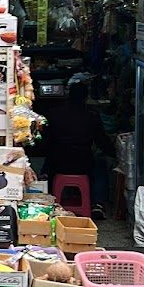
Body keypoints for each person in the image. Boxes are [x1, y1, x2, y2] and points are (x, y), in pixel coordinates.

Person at [41, 81, 115, 217]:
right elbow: (102, 141)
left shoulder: (54, 113)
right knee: (100, 164)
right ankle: (97, 204)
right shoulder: (91, 115)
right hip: (83, 163)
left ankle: (48, 196)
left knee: (49, 161)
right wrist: (114, 153)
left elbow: (45, 141)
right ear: (86, 97)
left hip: (57, 163)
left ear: (68, 95)